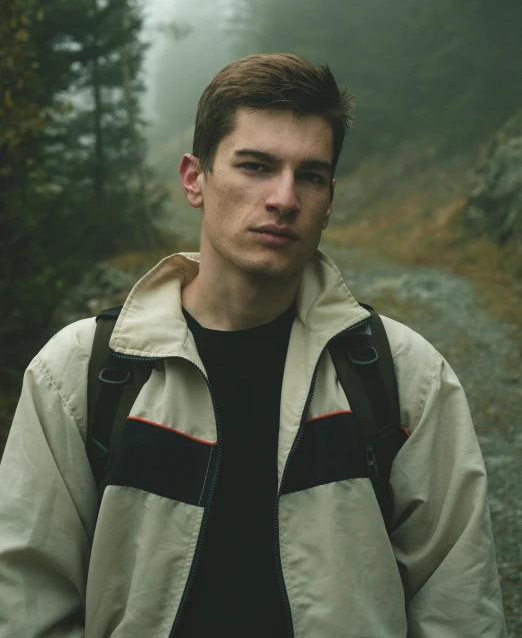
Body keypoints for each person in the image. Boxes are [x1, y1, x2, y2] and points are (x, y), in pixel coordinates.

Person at [0, 54, 505, 637]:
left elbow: (459, 605)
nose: (284, 198)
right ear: (195, 178)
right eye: (256, 166)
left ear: (330, 198)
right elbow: (26, 604)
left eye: (311, 175)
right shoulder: (81, 373)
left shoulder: (405, 375)